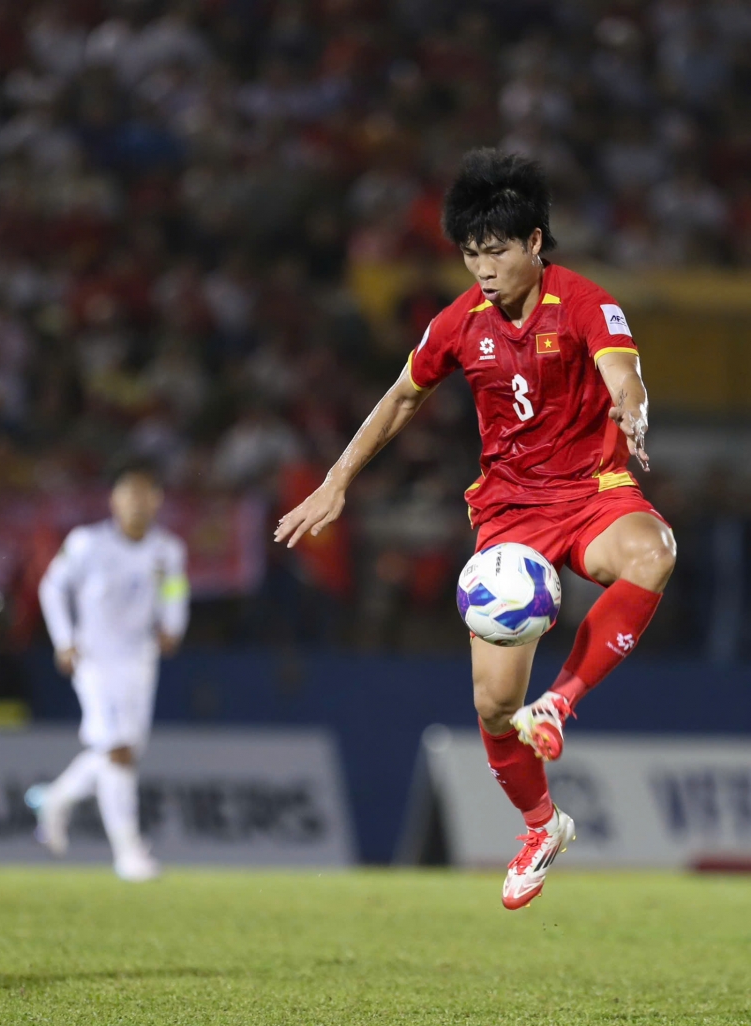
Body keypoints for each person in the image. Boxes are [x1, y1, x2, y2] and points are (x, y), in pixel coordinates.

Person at [275, 149, 675, 910]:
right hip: (510, 514)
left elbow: (624, 373)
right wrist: (337, 479)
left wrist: (632, 410)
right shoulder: (459, 322)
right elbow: (401, 398)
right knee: (492, 706)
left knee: (654, 552)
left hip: (592, 490)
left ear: (535, 242)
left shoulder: (585, 302)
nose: (483, 269)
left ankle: (561, 701)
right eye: (470, 254)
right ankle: (542, 825)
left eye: (496, 251)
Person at [28, 461, 189, 881]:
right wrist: (64, 639)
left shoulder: (168, 550)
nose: (136, 503)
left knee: (121, 751)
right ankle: (128, 853)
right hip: (94, 659)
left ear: (157, 501)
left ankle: (55, 799)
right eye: (128, 494)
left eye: (144, 494)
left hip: (140, 660)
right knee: (117, 750)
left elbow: (175, 590)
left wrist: (174, 625)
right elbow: (52, 586)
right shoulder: (87, 543)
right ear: (114, 500)